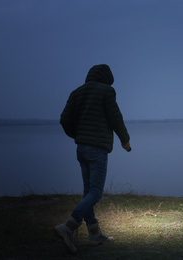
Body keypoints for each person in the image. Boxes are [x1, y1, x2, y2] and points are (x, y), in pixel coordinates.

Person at [55, 64, 131, 253]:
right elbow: (115, 117)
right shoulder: (107, 91)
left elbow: (64, 119)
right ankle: (69, 226)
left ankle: (94, 233)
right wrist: (125, 140)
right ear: (106, 78)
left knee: (88, 191)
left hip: (81, 148)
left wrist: (79, 136)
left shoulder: (77, 92)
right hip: (97, 149)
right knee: (95, 193)